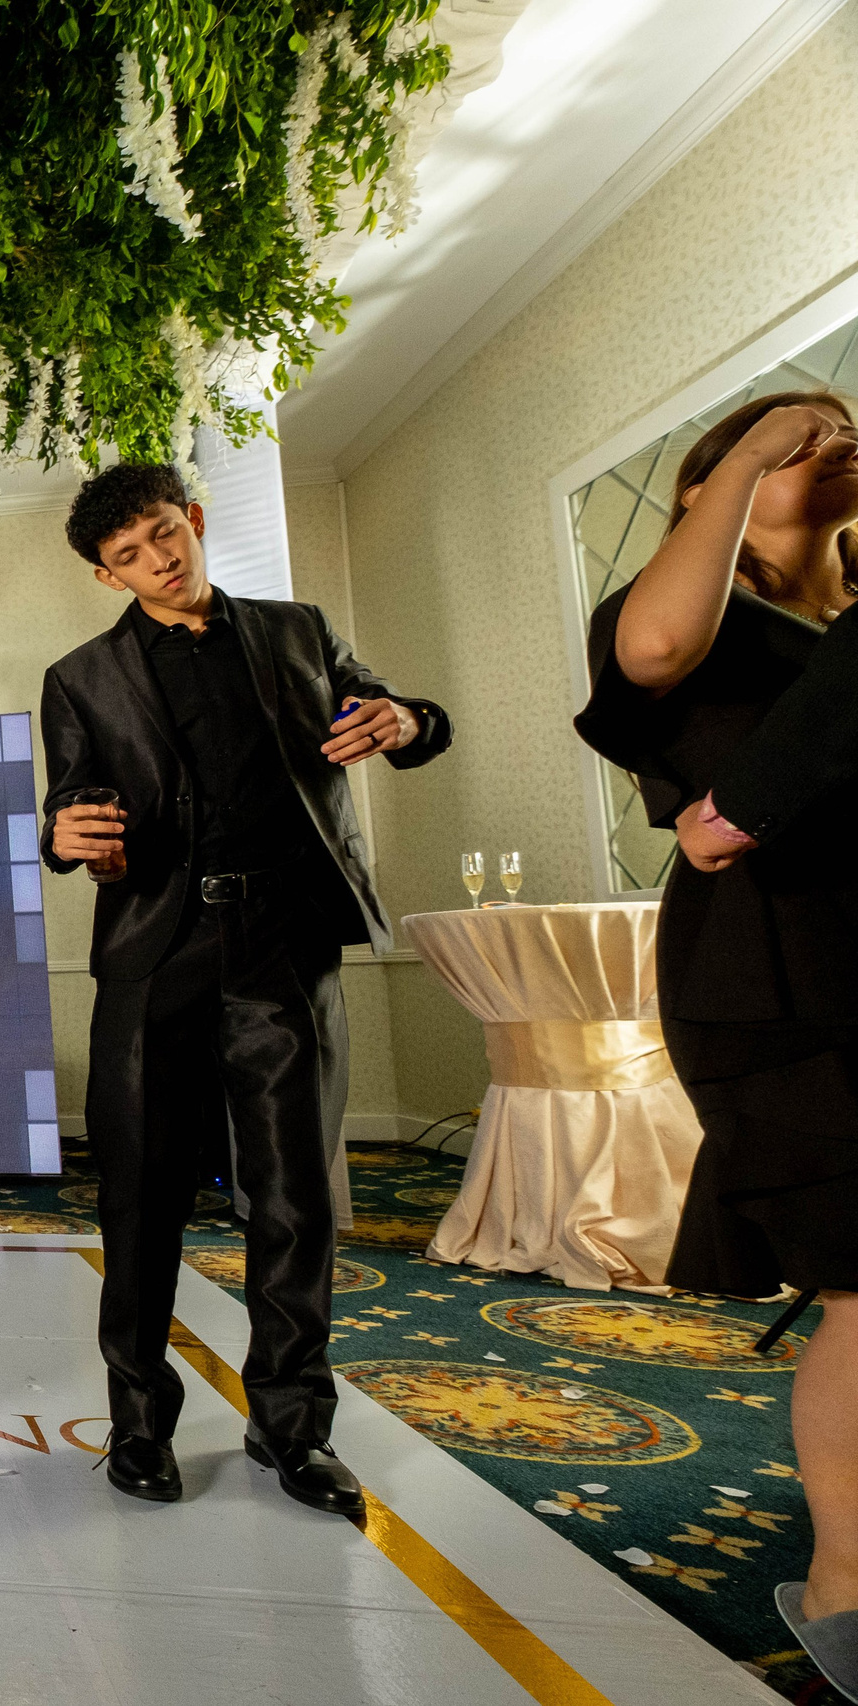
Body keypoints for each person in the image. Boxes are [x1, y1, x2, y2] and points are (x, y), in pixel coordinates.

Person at [41, 461, 452, 1515]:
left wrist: (404, 721)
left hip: (283, 943)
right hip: (153, 955)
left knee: (293, 1197)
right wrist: (63, 831)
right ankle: (138, 1423)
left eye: (162, 532)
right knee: (140, 1201)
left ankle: (292, 1429)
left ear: (193, 518)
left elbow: (402, 714)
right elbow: (72, 798)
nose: (156, 559)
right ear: (104, 575)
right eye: (126, 554)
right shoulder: (78, 678)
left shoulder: (298, 629)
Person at [571, 390, 858, 1691]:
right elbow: (652, 651)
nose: (837, 441)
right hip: (774, 971)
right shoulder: (691, 618)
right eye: (807, 437)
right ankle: (848, 1588)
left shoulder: (846, 631)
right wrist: (753, 445)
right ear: (708, 492)